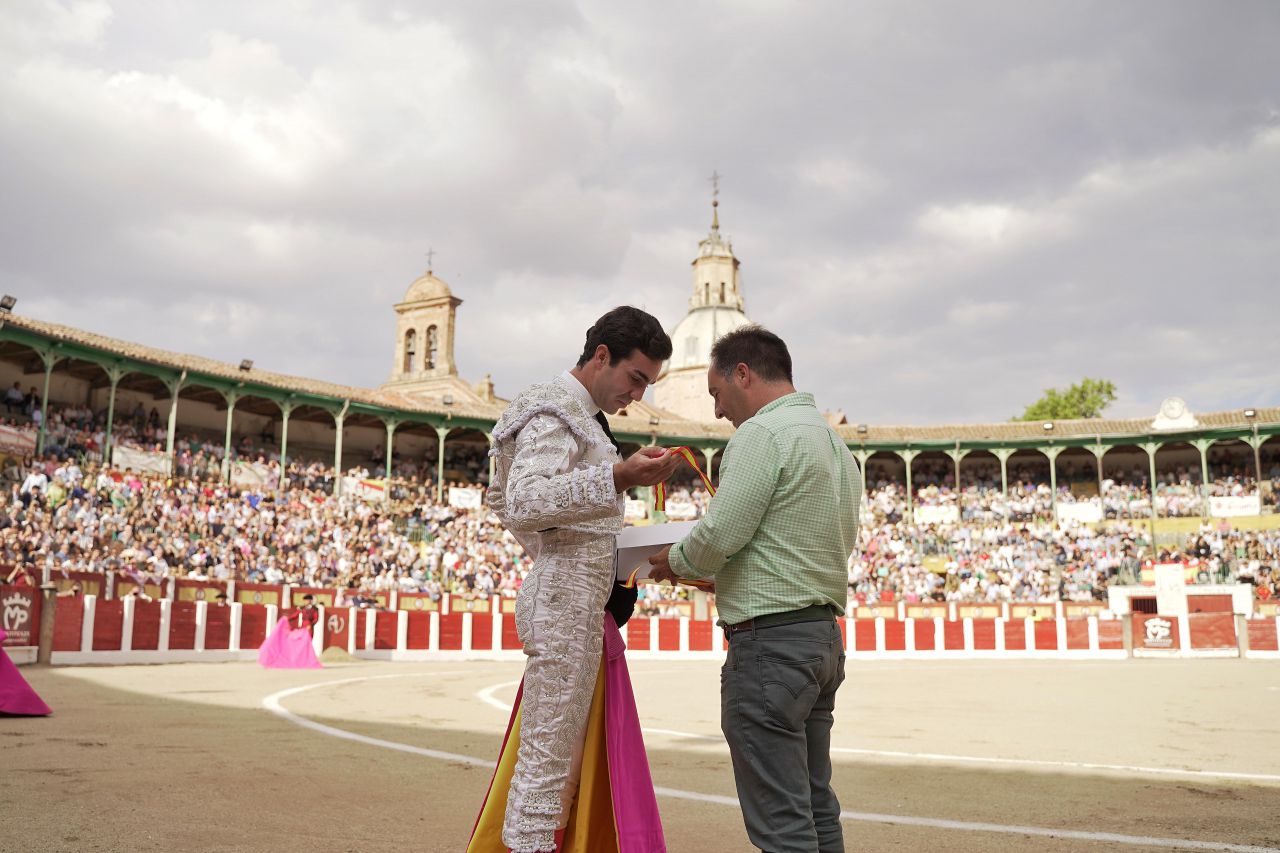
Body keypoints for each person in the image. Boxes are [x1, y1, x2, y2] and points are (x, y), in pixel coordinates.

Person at [649, 325, 862, 853]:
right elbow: (802, 543)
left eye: (717, 393)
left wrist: (671, 562)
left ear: (743, 372)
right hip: (821, 640)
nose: (718, 411)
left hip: (770, 646)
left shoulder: (761, 436)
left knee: (782, 821)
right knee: (816, 805)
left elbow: (719, 533)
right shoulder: (833, 441)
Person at [478, 306, 681, 853]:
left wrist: (597, 554)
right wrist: (619, 476)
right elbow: (522, 501)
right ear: (600, 356)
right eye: (635, 378)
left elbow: (507, 499)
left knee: (559, 759)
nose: (637, 394)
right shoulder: (556, 411)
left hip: (577, 600)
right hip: (564, 606)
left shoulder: (578, 415)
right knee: (547, 763)